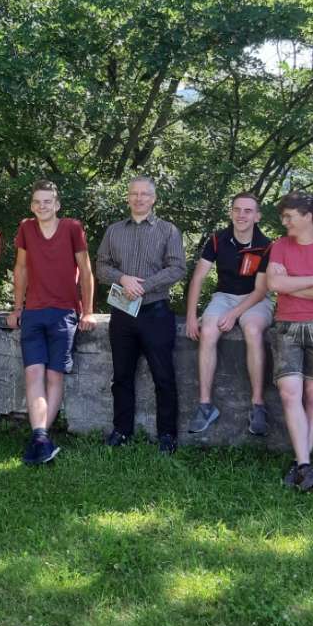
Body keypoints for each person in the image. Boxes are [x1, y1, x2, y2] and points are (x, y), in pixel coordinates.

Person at [6, 180, 96, 465]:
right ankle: (41, 436)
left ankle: (40, 438)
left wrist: (89, 311)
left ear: (57, 204)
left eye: (47, 201)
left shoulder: (72, 227)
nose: (41, 206)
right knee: (33, 374)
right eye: (37, 202)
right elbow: (20, 269)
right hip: (33, 312)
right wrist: (17, 307)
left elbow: (86, 269)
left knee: (54, 376)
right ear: (32, 206)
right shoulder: (26, 228)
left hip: (64, 313)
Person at [96, 177, 187, 453]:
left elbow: (177, 268)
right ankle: (121, 431)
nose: (139, 199)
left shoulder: (168, 231)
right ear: (127, 198)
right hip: (122, 312)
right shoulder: (113, 231)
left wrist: (143, 286)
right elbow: (101, 266)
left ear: (154, 199)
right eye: (134, 194)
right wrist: (123, 278)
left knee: (163, 376)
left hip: (156, 312)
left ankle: (167, 436)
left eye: (145, 194)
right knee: (122, 376)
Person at [266, 191, 313, 491]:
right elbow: (274, 284)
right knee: (289, 392)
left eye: (289, 217)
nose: (285, 223)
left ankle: (302, 463)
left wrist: (291, 286)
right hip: (287, 324)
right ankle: (304, 465)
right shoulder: (279, 246)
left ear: (308, 216)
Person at [184, 192, 273, 436]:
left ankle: (257, 405)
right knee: (209, 329)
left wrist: (234, 314)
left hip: (255, 299)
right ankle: (205, 405)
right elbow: (199, 278)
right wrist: (192, 316)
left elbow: (260, 290)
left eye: (247, 211)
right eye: (237, 209)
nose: (241, 215)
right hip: (223, 297)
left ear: (257, 216)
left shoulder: (266, 245)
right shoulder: (217, 240)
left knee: (252, 330)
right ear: (231, 212)